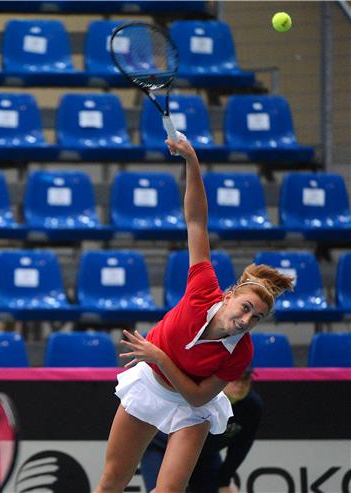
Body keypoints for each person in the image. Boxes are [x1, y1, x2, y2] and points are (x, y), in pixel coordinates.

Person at [93, 136, 293, 493]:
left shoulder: (240, 353)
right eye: (246, 308)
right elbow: (196, 221)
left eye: (257, 318)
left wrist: (159, 357)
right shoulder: (203, 288)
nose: (246, 321)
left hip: (191, 406)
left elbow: (199, 397)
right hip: (150, 386)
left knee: (169, 491)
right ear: (229, 296)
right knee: (112, 482)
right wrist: (192, 159)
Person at [140, 365, 263, 493]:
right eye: (235, 378)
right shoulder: (202, 396)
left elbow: (241, 446)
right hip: (163, 448)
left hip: (204, 454)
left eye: (246, 378)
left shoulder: (252, 406)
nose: (240, 384)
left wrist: (224, 480)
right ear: (223, 378)